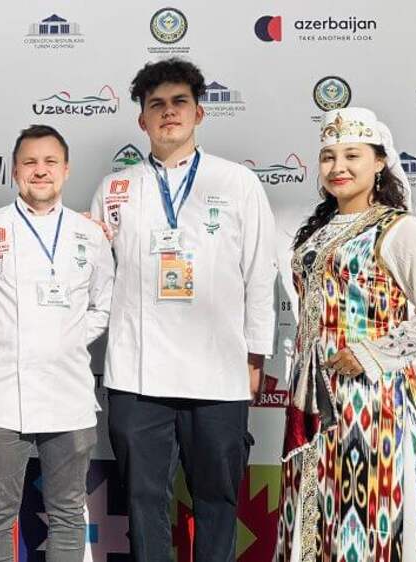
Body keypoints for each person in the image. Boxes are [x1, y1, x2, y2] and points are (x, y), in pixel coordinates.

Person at [89, 57, 277, 562]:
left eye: (179, 102)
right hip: (138, 375)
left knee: (218, 500)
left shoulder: (236, 182)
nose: (168, 112)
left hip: (218, 371)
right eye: (157, 105)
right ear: (142, 120)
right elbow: (96, 276)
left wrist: (255, 354)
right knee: (144, 500)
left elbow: (260, 271)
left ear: (199, 113)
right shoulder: (115, 189)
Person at [275, 107, 416, 562]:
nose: (338, 167)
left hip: (373, 398)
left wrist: (371, 352)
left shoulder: (398, 228)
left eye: (352, 155)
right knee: (315, 508)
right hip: (314, 399)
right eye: (328, 157)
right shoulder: (317, 231)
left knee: (368, 508)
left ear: (379, 162)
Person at [0, 125, 115, 562]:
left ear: (66, 170)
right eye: (30, 162)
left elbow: (105, 305)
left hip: (70, 395)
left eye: (50, 162)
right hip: (3, 396)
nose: (40, 171)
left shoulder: (89, 234)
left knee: (68, 515)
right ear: (15, 170)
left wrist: (69, 339)